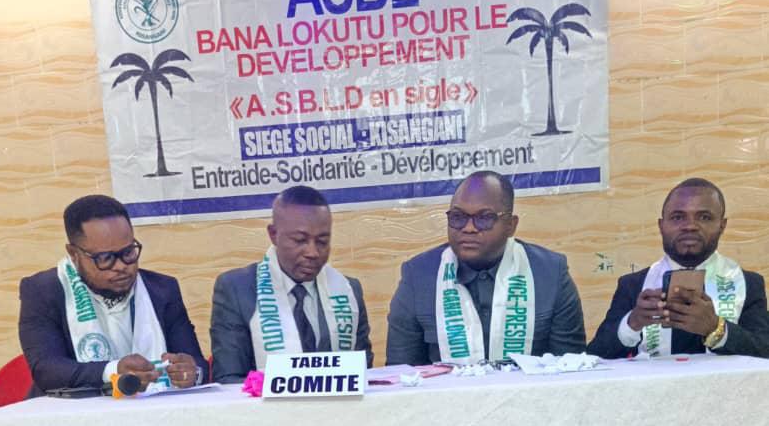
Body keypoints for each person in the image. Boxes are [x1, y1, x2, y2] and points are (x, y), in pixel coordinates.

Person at [386, 170, 586, 365]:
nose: (468, 228)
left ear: (510, 225)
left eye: (484, 218)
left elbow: (571, 369)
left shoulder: (550, 274)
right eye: (458, 217)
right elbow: (401, 372)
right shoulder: (418, 276)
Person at [18, 195, 208, 396]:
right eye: (105, 258)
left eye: (128, 252)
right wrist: (113, 371)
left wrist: (192, 372)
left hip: (157, 409)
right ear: (74, 254)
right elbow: (47, 370)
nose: (121, 266)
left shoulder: (163, 289)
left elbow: (197, 364)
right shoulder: (43, 291)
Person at [588, 178, 769, 359]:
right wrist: (632, 323)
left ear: (722, 226)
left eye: (704, 217)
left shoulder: (747, 283)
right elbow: (595, 357)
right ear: (661, 226)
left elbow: (763, 351)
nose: (690, 226)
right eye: (677, 217)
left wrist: (717, 329)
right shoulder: (633, 285)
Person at [210, 186, 373, 382]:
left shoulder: (349, 291)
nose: (313, 252)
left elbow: (362, 373)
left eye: (322, 241)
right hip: (265, 402)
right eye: (300, 240)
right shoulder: (236, 290)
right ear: (273, 234)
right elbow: (228, 380)